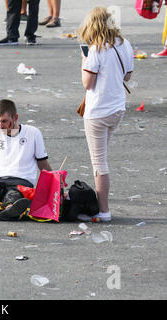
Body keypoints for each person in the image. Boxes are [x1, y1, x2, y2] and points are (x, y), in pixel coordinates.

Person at [76, 7, 134, 222]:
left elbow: (87, 83)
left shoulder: (95, 49)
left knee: (100, 164)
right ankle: (102, 206)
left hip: (98, 111)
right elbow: (127, 76)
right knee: (102, 158)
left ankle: (104, 211)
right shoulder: (124, 43)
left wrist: (83, 60)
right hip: (118, 108)